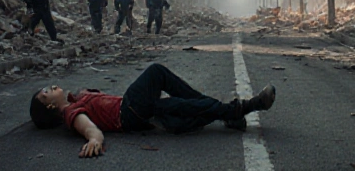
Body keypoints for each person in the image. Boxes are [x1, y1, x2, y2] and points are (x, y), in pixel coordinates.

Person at [30, 63, 277, 157]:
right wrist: (94, 139)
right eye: (45, 92)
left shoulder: (74, 101)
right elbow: (89, 128)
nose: (49, 87)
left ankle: (237, 111)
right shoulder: (71, 114)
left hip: (139, 113)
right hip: (128, 112)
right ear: (50, 105)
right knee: (156, 72)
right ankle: (242, 109)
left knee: (187, 107)